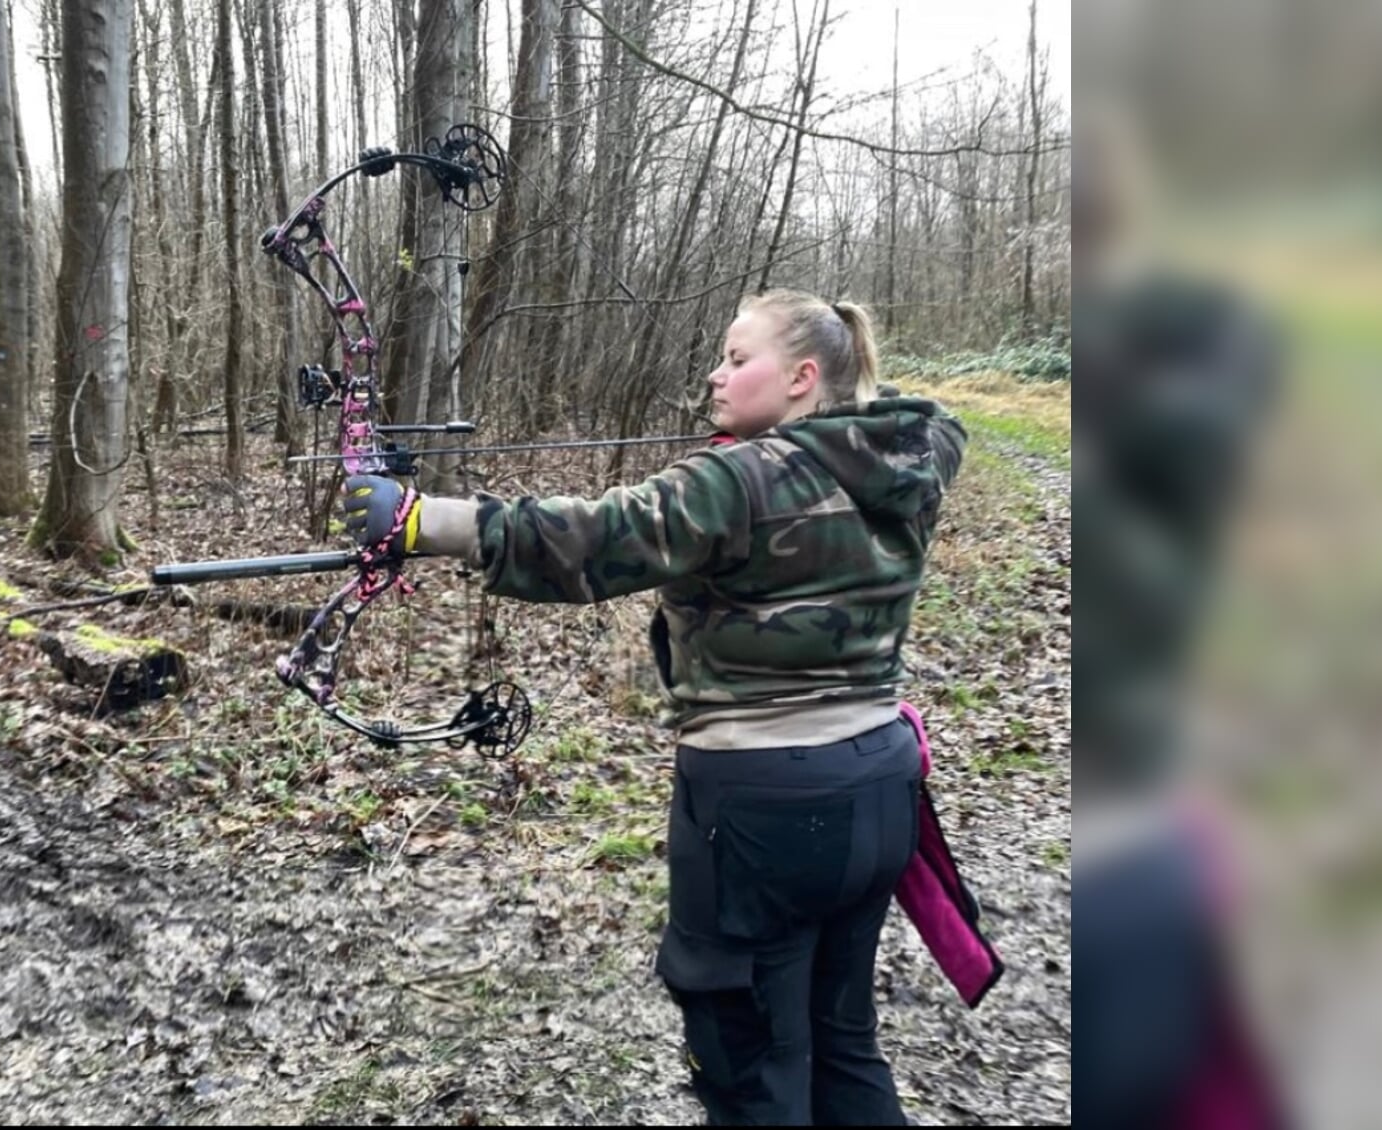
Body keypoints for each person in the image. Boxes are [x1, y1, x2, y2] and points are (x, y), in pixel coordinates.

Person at [344, 290, 968, 1125]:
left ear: (802, 376)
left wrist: (425, 519)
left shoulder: (740, 478)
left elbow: (601, 536)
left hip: (763, 808)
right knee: (842, 1044)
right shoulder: (910, 456)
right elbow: (886, 424)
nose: (716, 374)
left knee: (751, 1066)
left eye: (739, 358)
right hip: (880, 787)